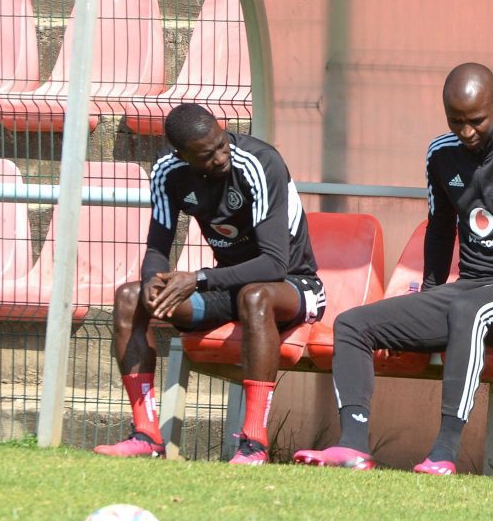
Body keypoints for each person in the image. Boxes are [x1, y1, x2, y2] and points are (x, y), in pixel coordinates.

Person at [293, 62, 493, 474]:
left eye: (476, 121)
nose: (466, 133)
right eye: (456, 122)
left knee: (469, 311)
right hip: (466, 290)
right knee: (352, 325)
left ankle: (444, 451)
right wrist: (429, 295)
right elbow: (439, 232)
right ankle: (352, 445)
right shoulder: (441, 154)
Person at [94, 103, 325, 465]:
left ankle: (254, 444)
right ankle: (146, 434)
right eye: (207, 154)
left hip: (293, 286)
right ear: (182, 156)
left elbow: (274, 263)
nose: (221, 158)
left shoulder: (259, 163)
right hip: (228, 289)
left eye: (221, 144)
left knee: (256, 295)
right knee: (129, 297)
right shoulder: (167, 172)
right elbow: (157, 246)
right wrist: (154, 284)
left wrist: (198, 279)